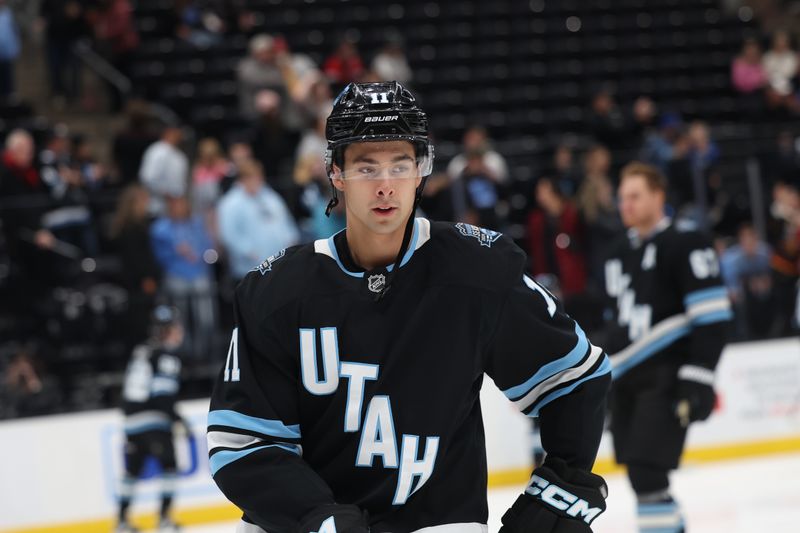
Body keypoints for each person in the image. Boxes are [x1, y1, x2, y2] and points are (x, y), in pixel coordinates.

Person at [207, 81, 610, 533]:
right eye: (365, 167)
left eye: (400, 165)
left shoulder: (476, 271)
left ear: (422, 171)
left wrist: (563, 488)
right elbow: (243, 443)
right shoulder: (276, 293)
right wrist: (317, 518)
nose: (385, 186)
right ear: (335, 173)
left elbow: (576, 379)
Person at [602, 162, 733, 533]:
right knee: (643, 478)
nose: (625, 205)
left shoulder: (687, 243)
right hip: (626, 379)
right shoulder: (616, 251)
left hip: (666, 376)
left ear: (658, 197)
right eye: (622, 197)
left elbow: (713, 317)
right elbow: (614, 321)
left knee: (647, 471)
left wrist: (699, 377)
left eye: (635, 196)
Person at [115, 305, 189, 533]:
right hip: (153, 420)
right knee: (170, 466)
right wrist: (179, 420)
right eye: (176, 328)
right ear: (168, 330)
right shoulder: (166, 355)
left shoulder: (143, 350)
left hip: (131, 420)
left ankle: (122, 522)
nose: (180, 332)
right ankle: (165, 519)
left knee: (132, 471)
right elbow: (162, 395)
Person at [217, 158, 300, 280]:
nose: (258, 181)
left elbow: (286, 222)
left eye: (259, 177)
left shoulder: (270, 196)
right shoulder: (230, 203)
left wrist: (291, 242)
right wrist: (250, 252)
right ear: (242, 179)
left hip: (279, 266)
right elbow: (229, 235)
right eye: (253, 177)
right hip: (249, 270)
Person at [139, 125, 189, 216]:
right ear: (168, 132)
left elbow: (181, 185)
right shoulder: (157, 151)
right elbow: (148, 178)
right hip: (157, 207)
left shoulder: (180, 155)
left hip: (175, 209)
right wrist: (167, 195)